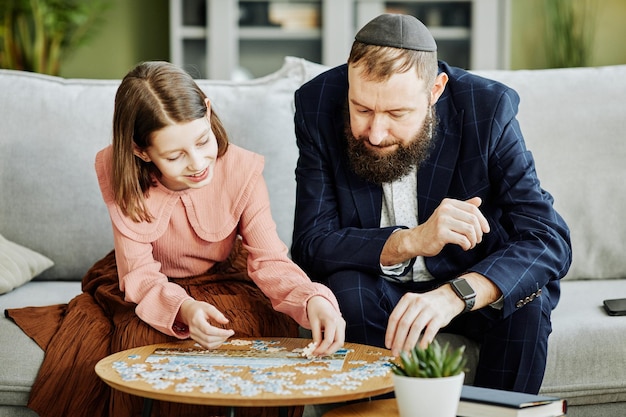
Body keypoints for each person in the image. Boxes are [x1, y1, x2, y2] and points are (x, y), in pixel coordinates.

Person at [6, 61, 345, 417]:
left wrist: (312, 300)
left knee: (251, 334)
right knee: (141, 340)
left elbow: (269, 259)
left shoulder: (241, 170)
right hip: (151, 282)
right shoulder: (118, 172)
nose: (198, 163)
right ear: (141, 151)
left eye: (203, 141)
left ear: (208, 110)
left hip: (224, 275)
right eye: (174, 156)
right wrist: (183, 308)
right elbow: (139, 273)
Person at [290, 14, 571, 395]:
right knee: (348, 291)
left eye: (396, 114)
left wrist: (457, 294)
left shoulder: (488, 108)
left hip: (469, 281)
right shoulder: (316, 103)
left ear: (435, 90)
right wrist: (411, 241)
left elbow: (548, 237)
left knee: (527, 304)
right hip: (378, 287)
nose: (375, 132)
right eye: (362, 109)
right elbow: (311, 244)